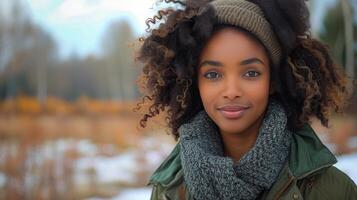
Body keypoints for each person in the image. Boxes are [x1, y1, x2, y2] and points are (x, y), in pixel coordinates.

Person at [136, 0, 357, 199]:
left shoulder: (331, 190)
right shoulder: (169, 191)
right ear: (196, 84)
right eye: (213, 74)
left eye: (251, 73)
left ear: (273, 80)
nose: (231, 91)